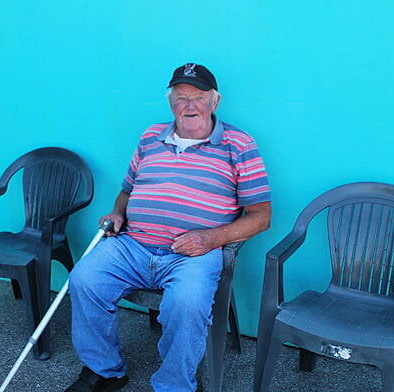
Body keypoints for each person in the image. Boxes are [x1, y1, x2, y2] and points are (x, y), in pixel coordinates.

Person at [65, 63, 272, 392]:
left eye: (199, 97)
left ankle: (176, 384)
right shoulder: (150, 136)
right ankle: (104, 370)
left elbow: (261, 215)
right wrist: (118, 212)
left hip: (193, 254)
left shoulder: (239, 145)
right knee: (84, 279)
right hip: (133, 244)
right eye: (181, 98)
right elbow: (127, 190)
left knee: (187, 303)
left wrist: (211, 238)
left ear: (215, 102)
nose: (190, 106)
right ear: (170, 102)